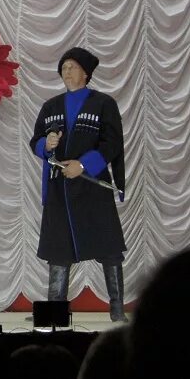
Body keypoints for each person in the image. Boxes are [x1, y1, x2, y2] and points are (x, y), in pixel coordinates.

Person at [29, 47, 127, 322]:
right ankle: (55, 314)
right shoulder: (50, 106)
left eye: (72, 67)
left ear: (86, 73)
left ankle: (117, 310)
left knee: (109, 250)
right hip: (59, 190)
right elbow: (35, 140)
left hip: (92, 188)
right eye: (64, 67)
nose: (66, 71)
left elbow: (112, 143)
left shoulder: (103, 104)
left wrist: (83, 165)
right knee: (58, 253)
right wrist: (45, 146)